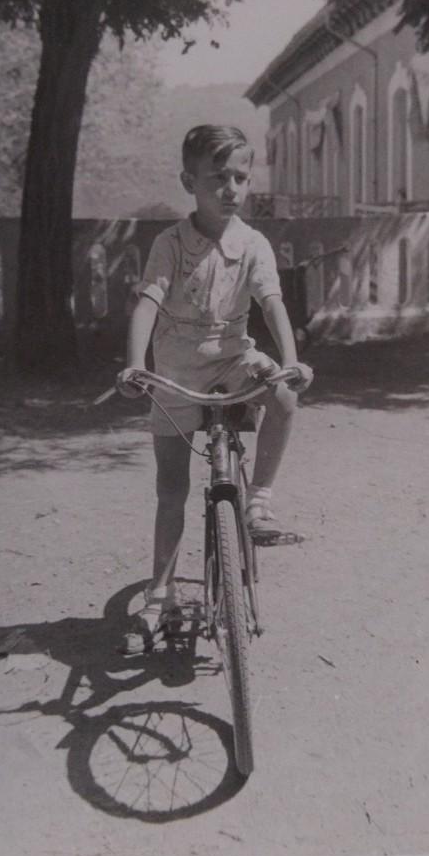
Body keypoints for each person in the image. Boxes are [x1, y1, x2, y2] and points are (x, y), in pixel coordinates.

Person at [117, 124, 313, 654]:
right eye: (217, 178)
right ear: (189, 182)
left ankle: (259, 501)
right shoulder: (170, 244)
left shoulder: (253, 244)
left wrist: (290, 361)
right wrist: (135, 365)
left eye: (240, 178)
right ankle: (159, 597)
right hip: (177, 371)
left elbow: (271, 303)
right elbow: (148, 303)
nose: (231, 189)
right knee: (171, 490)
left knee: (284, 394)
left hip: (233, 360)